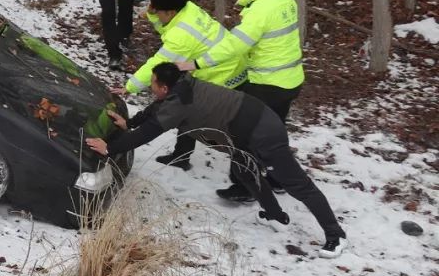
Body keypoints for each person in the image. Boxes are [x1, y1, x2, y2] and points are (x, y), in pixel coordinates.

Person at [85, 63, 346, 258]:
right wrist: (129, 122)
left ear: (164, 87)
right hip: (244, 127)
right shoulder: (182, 85)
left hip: (263, 129)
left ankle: (336, 235)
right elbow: (156, 111)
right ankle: (275, 215)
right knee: (245, 171)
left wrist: (110, 147)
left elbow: (150, 131)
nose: (150, 87)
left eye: (152, 83)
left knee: (297, 183)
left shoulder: (179, 102)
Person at [177, 0, 305, 202]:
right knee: (274, 131)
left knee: (244, 134)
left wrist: (196, 63)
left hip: (267, 83)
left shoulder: (260, 10)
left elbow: (236, 45)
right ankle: (279, 179)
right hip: (291, 79)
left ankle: (245, 187)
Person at [120, 0, 247, 171]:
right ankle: (181, 155)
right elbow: (166, 28)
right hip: (231, 63)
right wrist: (153, 15)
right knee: (188, 109)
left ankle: (245, 166)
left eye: (157, 10)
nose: (153, 12)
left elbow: (159, 63)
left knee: (198, 113)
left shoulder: (181, 36)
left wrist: (130, 86)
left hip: (223, 73)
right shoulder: (188, 8)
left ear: (170, 12)